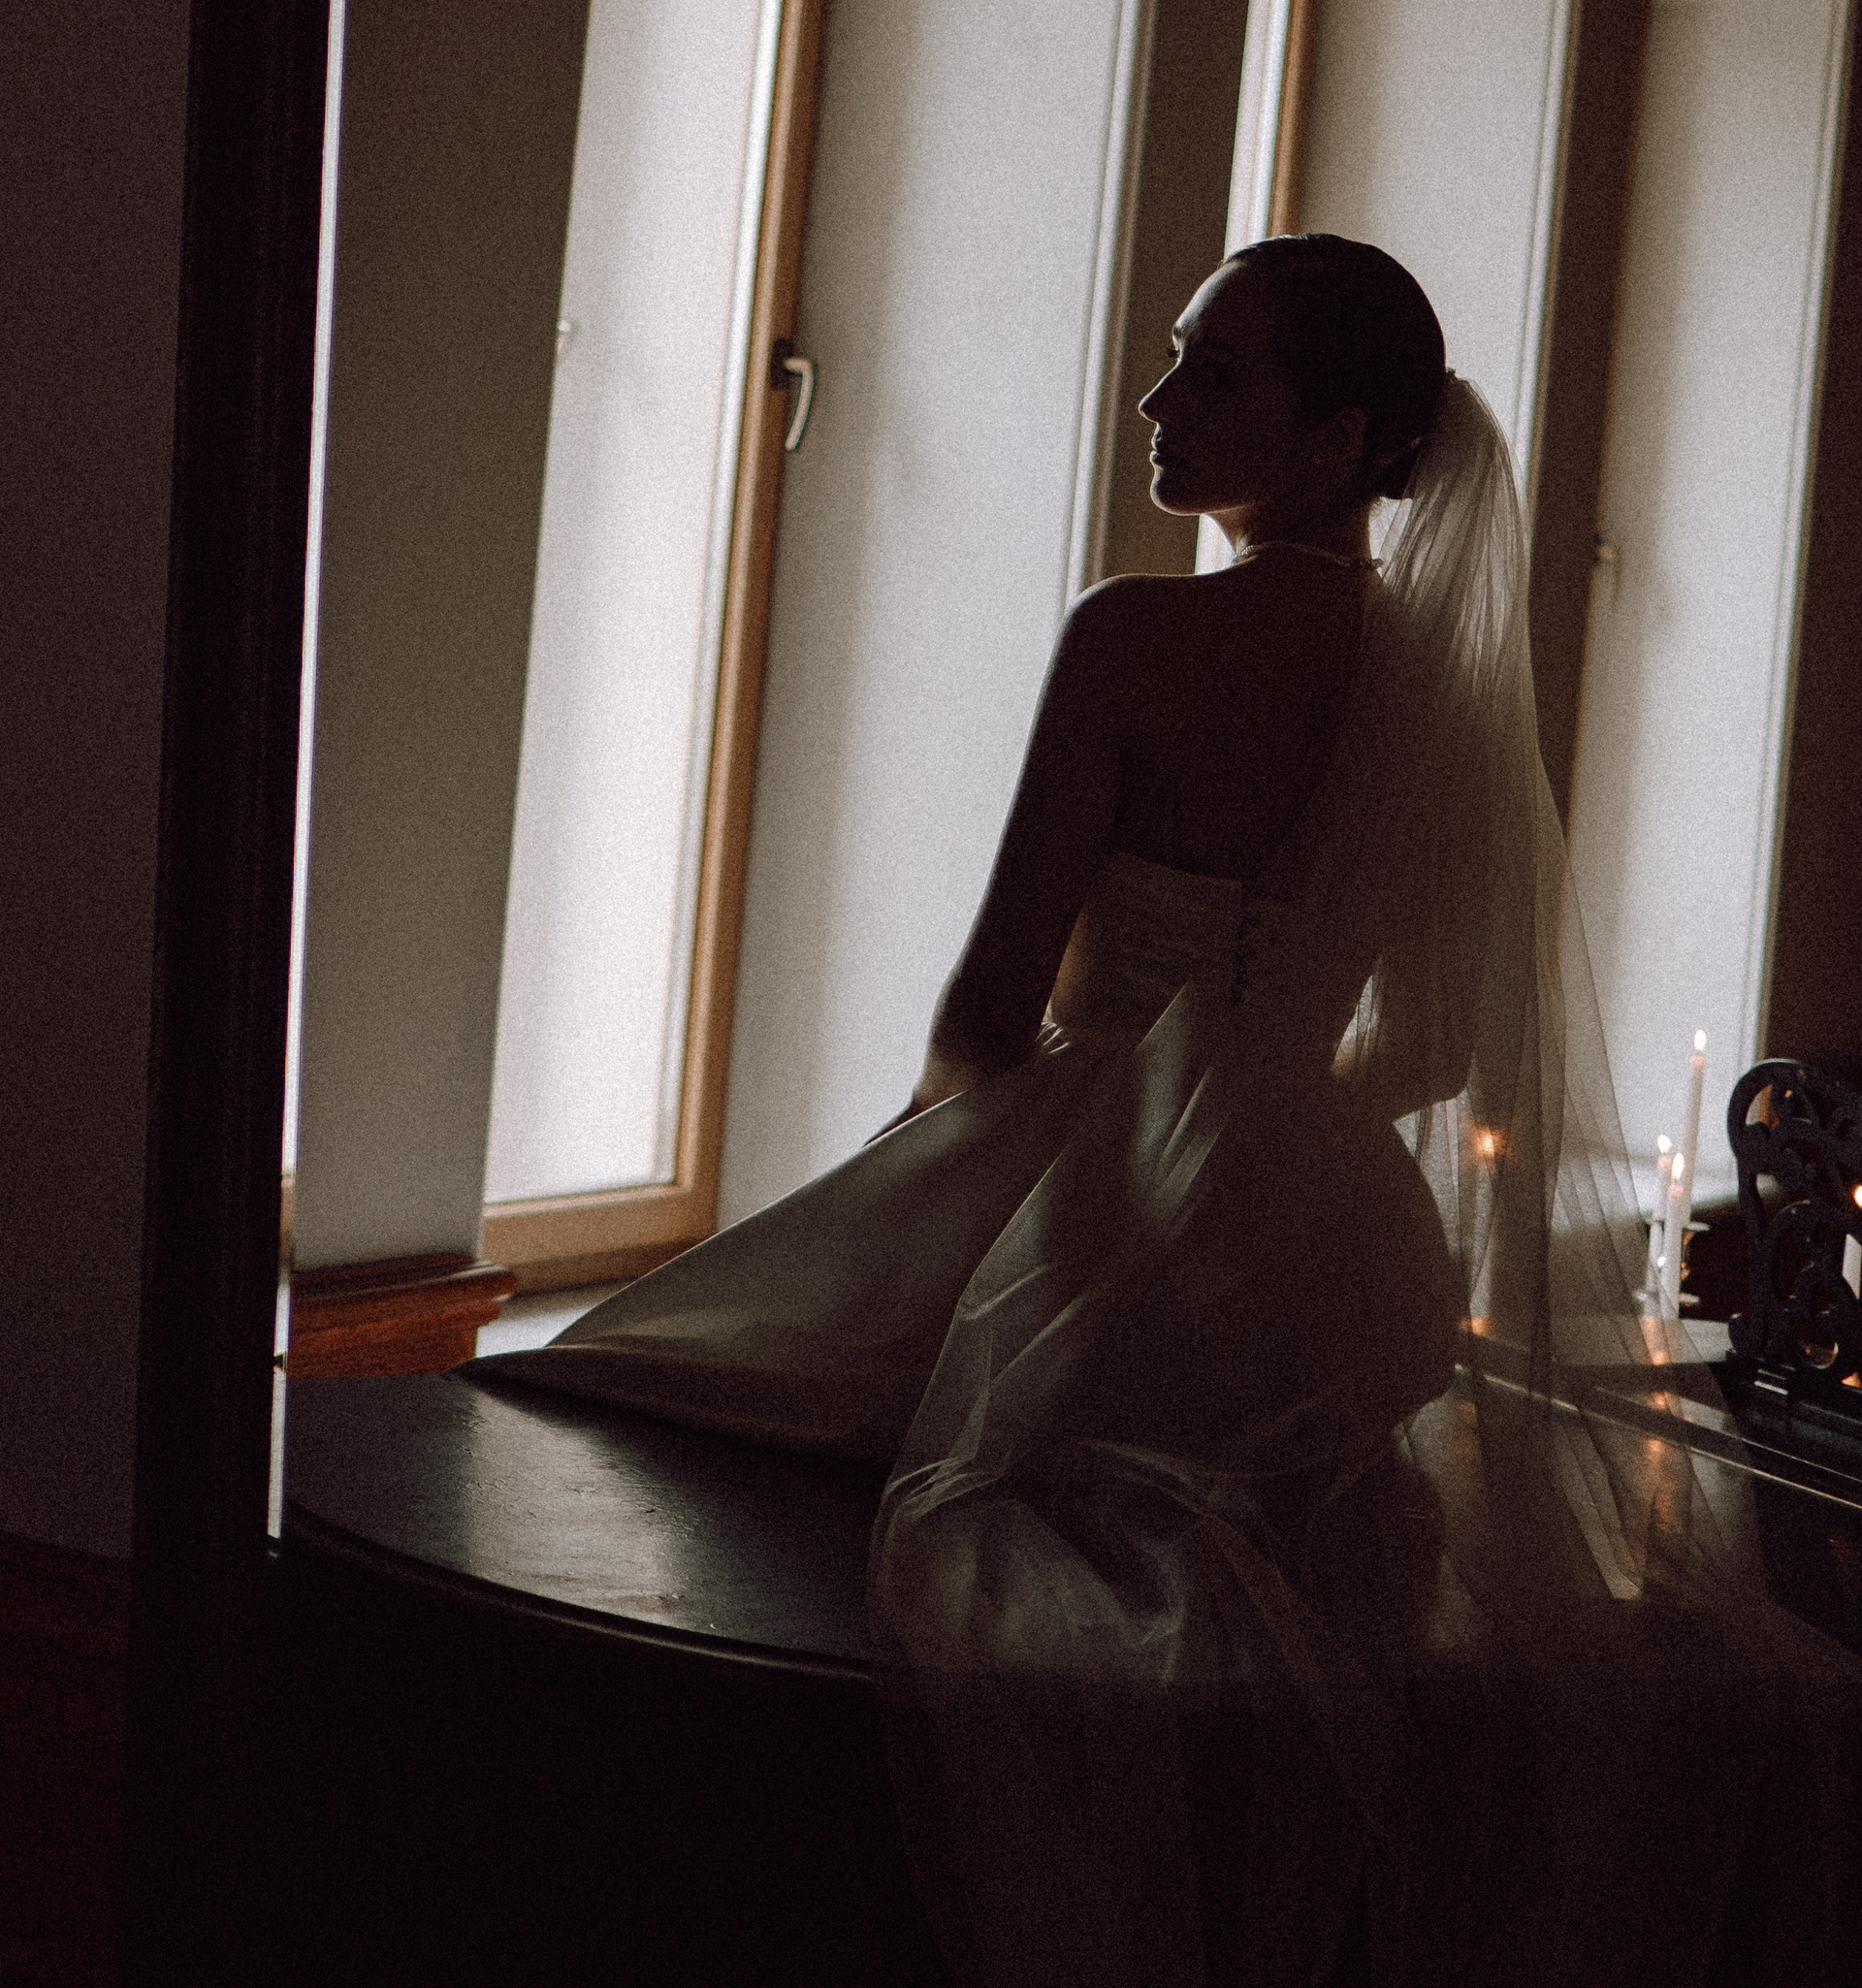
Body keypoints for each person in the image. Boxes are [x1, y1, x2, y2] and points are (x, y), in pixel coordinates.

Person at [481, 236, 1862, 1987]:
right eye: (1167, 360)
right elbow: (1436, 1047)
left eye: (1210, 374)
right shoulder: (1441, 690)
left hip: (1075, 1190)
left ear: (1337, 435)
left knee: (631, 1381)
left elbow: (990, 1011)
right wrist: (1257, 1117)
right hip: (1313, 1265)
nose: (1156, 401)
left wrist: (939, 1186)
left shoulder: (1136, 635)